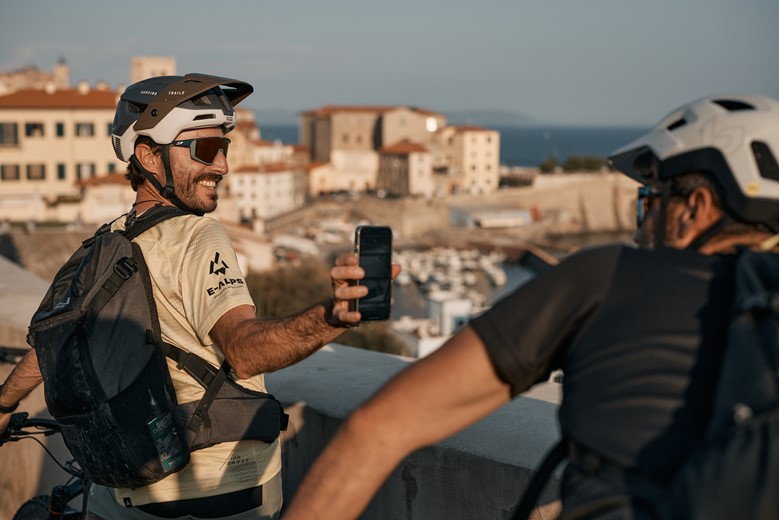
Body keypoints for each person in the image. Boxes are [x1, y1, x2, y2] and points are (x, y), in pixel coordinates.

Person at [283, 94, 779, 519]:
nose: (638, 227)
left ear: (695, 209)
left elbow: (380, 428)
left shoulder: (610, 277)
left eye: (648, 201)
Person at [0, 73, 398, 520]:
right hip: (220, 488)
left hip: (125, 491)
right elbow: (243, 349)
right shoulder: (198, 236)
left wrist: (3, 403)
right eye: (206, 150)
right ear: (149, 156)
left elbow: (54, 341)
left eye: (224, 148)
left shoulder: (106, 242)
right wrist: (331, 318)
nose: (223, 167)